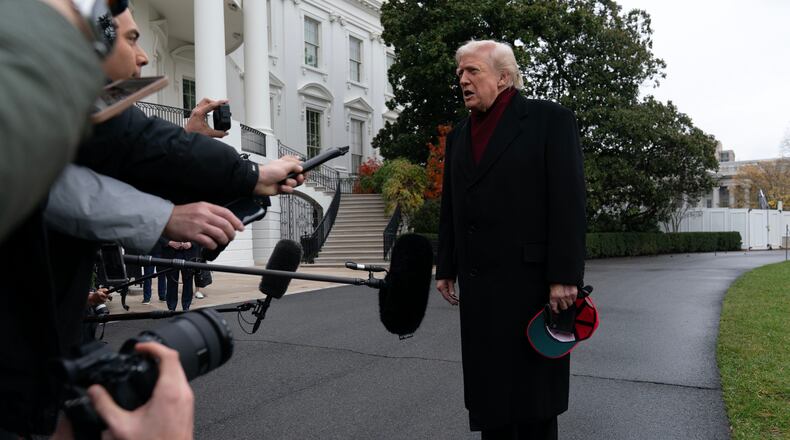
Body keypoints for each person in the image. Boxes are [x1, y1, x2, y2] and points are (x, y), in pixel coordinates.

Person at [436, 40, 586, 440]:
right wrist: (446, 265)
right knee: (491, 400)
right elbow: (452, 206)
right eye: (460, 74)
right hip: (481, 289)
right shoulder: (459, 136)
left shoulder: (549, 120)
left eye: (473, 72)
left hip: (532, 287)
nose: (463, 80)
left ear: (503, 77)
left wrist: (564, 276)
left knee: (533, 403)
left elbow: (569, 202)